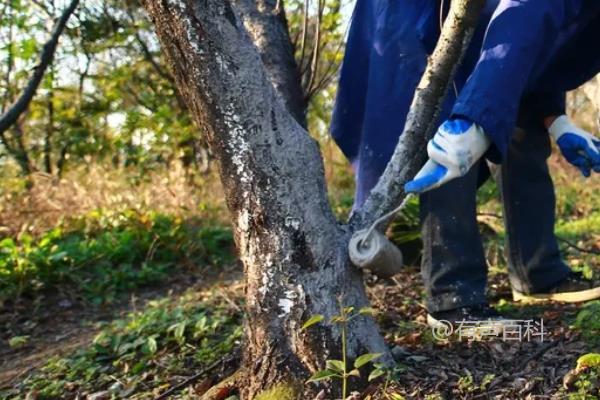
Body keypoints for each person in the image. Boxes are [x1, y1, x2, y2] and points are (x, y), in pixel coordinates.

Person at [331, 0, 600, 326]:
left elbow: (536, 50)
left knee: (519, 122)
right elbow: (526, 16)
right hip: (419, 19)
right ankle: (454, 298)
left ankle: (538, 272)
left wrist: (555, 119)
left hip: (494, 25)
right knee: (451, 126)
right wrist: (473, 120)